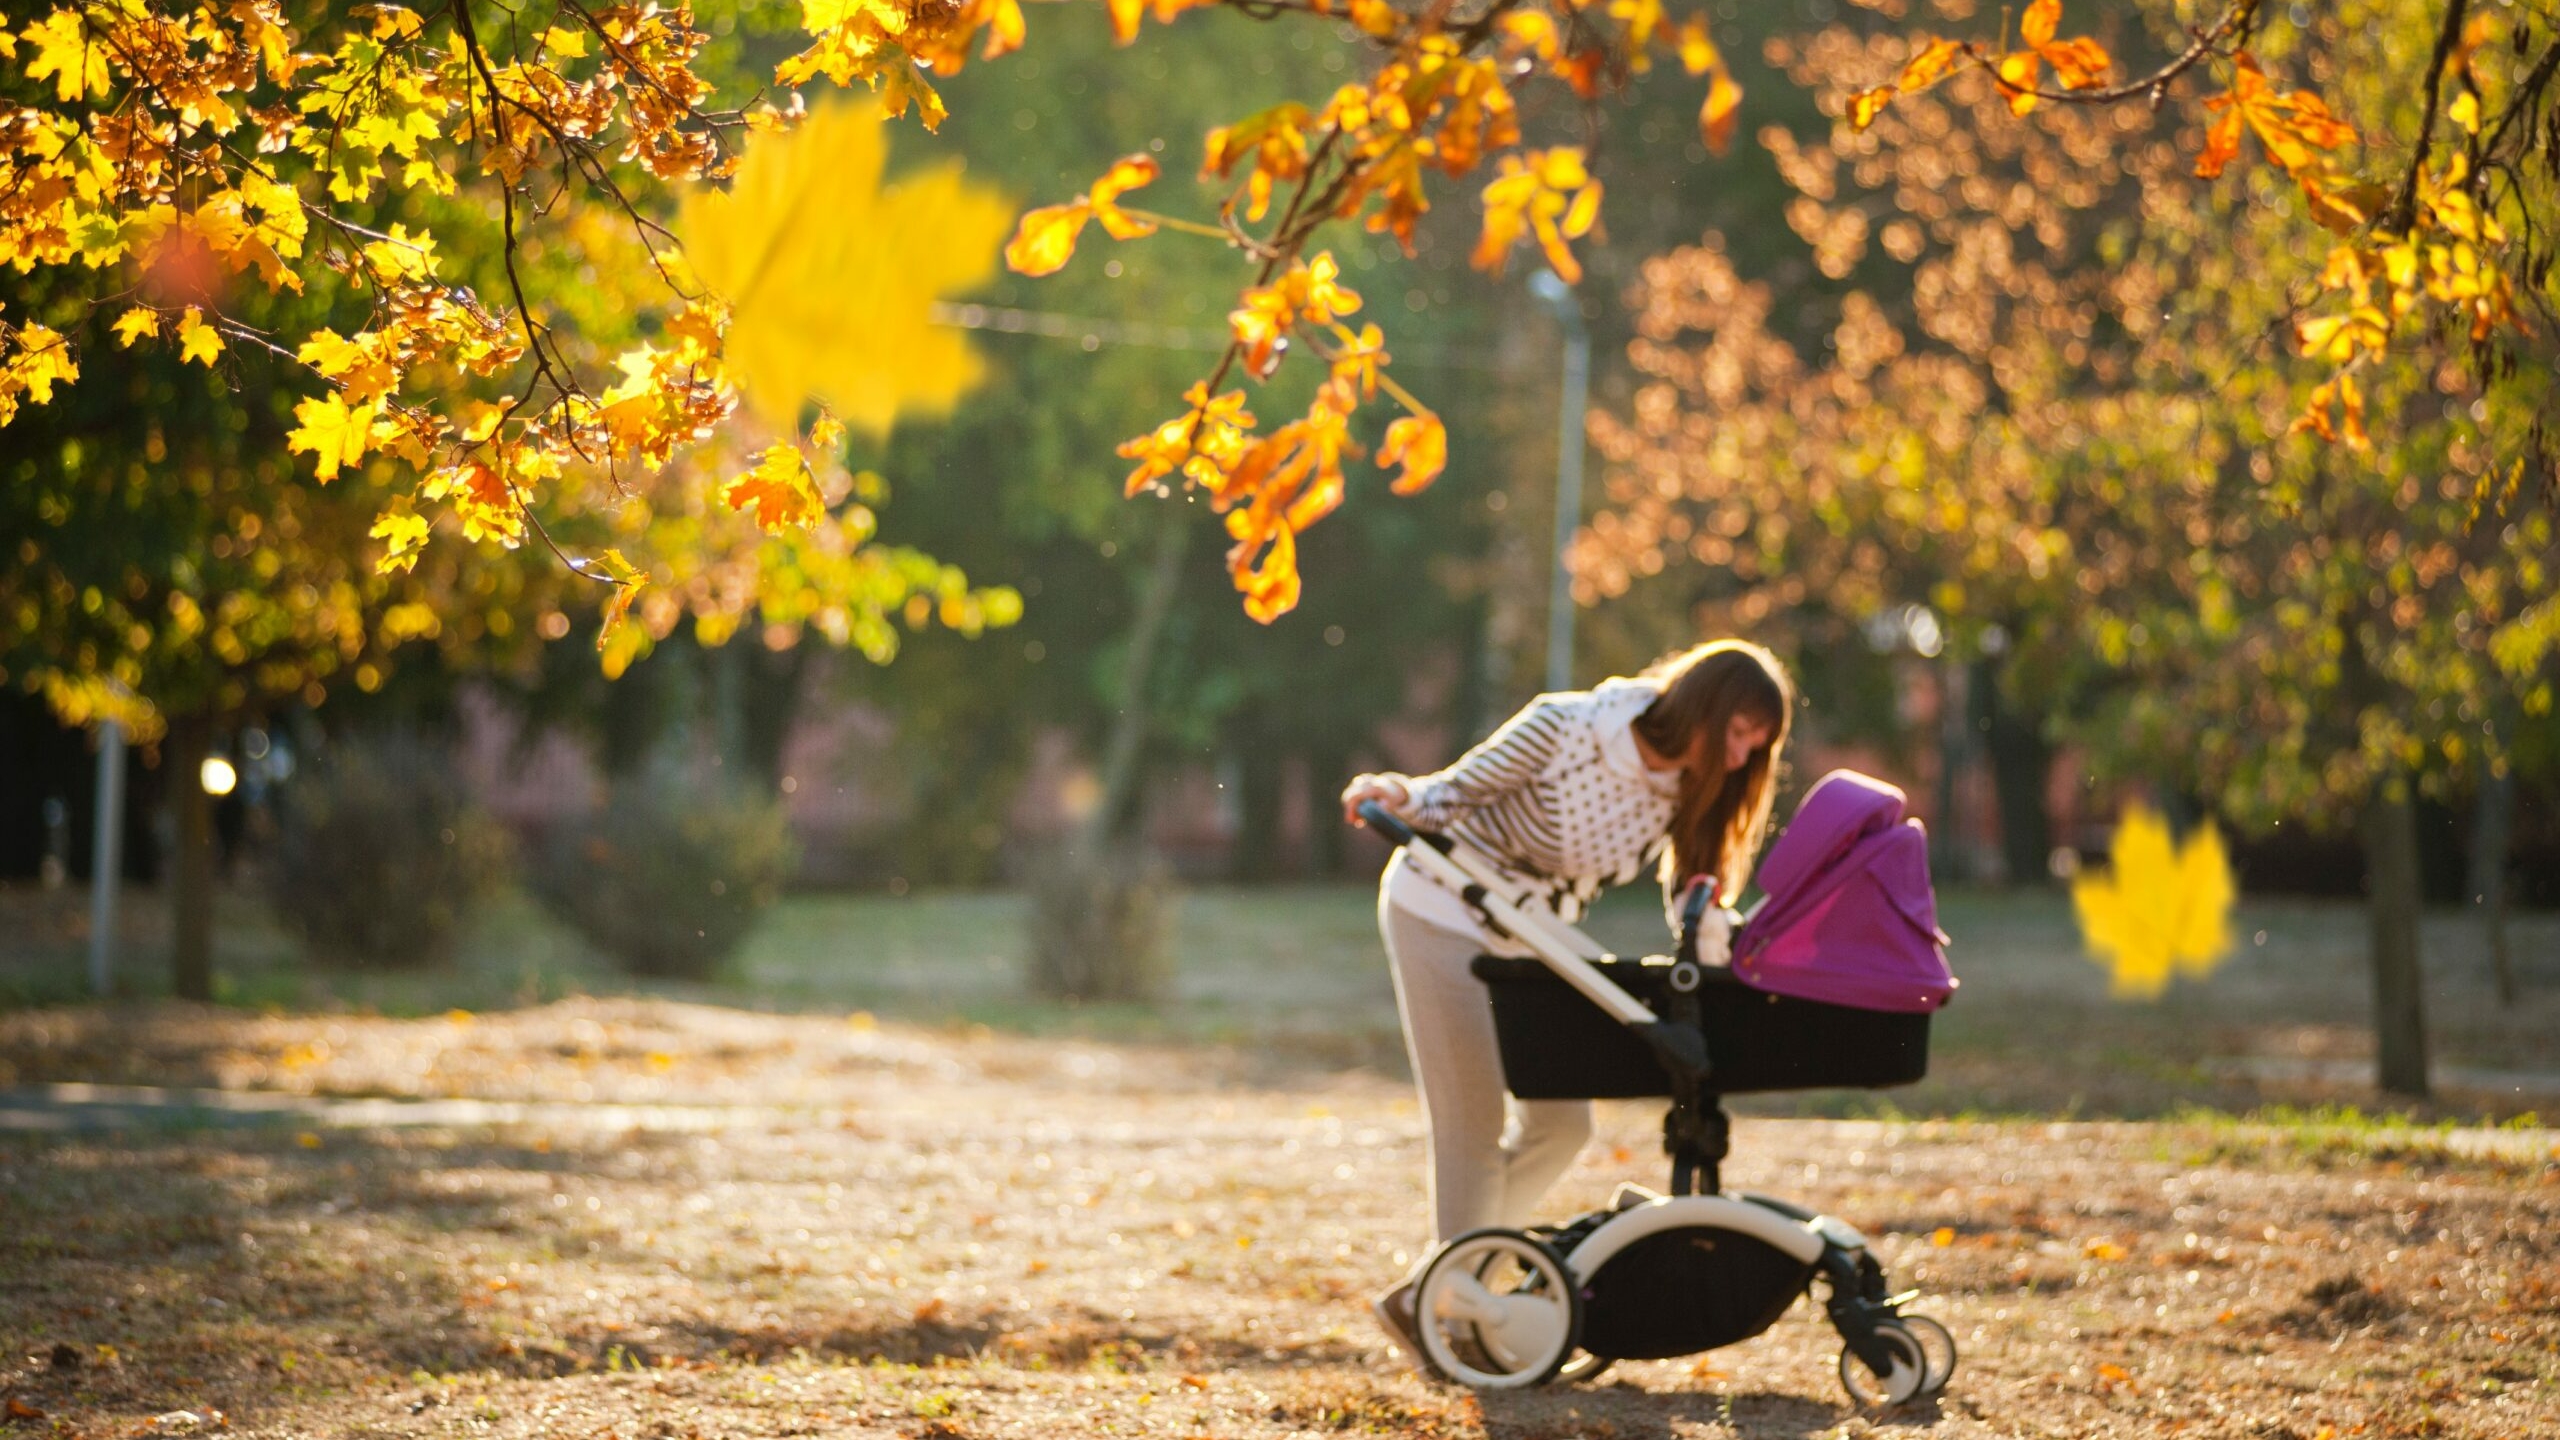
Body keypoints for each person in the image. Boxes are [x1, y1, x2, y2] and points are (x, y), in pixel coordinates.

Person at [1339, 639, 1795, 1359]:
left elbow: (1695, 897)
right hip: (1443, 907)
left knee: (1561, 1123)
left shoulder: (1691, 787)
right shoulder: (1570, 727)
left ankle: (1431, 1292)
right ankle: (1450, 1327)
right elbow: (1451, 792)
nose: (1741, 758)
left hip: (1535, 933)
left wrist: (1725, 946)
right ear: (1705, 707)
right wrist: (1395, 794)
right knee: (1473, 1124)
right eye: (1738, 734)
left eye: (1756, 746)